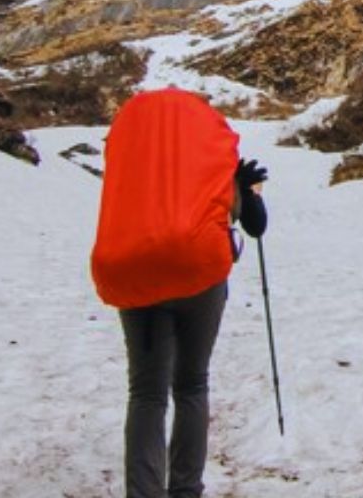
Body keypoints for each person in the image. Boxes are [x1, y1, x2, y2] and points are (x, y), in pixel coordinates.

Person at [91, 90, 269, 498]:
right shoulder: (211, 164)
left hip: (135, 273)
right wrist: (247, 188)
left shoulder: (134, 164)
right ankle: (186, 491)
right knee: (191, 385)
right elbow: (256, 227)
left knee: (146, 393)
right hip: (198, 278)